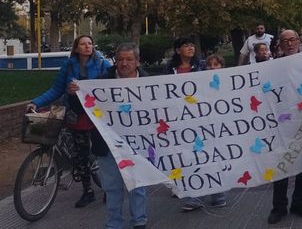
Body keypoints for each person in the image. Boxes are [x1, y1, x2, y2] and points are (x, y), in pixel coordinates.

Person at [27, 34, 112, 208]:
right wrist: (36, 102)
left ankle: (110, 189)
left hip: (97, 116)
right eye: (83, 44)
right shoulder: (68, 66)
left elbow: (110, 86)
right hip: (76, 114)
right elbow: (56, 89)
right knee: (80, 155)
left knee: (102, 153)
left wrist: (84, 87)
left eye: (90, 43)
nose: (88, 46)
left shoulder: (103, 64)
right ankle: (87, 191)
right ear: (76, 48)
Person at [162, 37, 225, 211]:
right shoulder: (169, 70)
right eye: (186, 45)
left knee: (210, 155)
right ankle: (199, 195)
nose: (190, 48)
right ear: (177, 50)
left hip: (204, 118)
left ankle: (215, 194)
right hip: (180, 120)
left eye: (192, 45)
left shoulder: (202, 66)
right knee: (190, 158)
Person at [92, 43, 149, 229]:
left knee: (138, 185)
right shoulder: (99, 82)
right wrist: (75, 94)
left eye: (129, 59)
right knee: (112, 188)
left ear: (137, 61)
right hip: (108, 144)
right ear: (115, 61)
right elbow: (83, 108)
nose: (124, 63)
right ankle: (114, 224)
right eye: (120, 59)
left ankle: (139, 221)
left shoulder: (151, 83)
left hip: (138, 144)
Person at [267, 29, 302, 224]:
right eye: (285, 40)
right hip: (280, 124)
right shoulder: (272, 66)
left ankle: (299, 203)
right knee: (281, 165)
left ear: (298, 41)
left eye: (292, 39)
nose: (289, 43)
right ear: (280, 44)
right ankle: (279, 207)